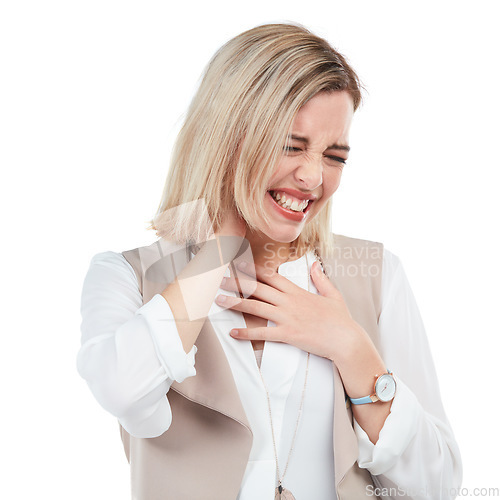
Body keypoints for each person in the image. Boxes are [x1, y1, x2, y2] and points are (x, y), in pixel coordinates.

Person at [77, 22, 462, 500]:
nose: (312, 177)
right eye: (290, 145)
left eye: (334, 156)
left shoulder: (377, 275)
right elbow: (124, 390)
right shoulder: (127, 277)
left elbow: (441, 485)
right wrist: (221, 245)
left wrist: (350, 347)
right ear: (228, 137)